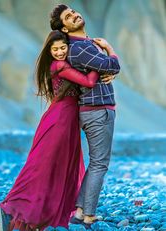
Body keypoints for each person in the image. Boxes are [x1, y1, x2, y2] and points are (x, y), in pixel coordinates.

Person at [0, 30, 99, 231]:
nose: (60, 51)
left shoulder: (65, 64)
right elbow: (88, 82)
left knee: (57, 167)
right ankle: (11, 207)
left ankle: (41, 213)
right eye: (56, 49)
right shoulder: (59, 65)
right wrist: (99, 61)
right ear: (49, 51)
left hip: (66, 120)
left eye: (63, 48)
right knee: (43, 166)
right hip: (60, 120)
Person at [50, 4, 121, 229]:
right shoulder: (80, 49)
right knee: (100, 164)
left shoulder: (86, 45)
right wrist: (110, 49)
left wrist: (107, 70)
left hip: (96, 110)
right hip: (98, 111)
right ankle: (88, 215)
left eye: (73, 11)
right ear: (65, 28)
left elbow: (106, 69)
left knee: (96, 163)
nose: (75, 15)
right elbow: (112, 65)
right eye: (68, 17)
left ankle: (80, 211)